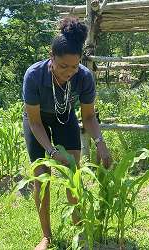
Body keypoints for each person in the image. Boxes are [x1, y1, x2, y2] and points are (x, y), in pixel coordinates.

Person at [22, 17, 112, 250]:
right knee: (41, 178)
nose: (69, 72)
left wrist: (100, 143)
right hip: (37, 121)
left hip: (64, 118)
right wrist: (51, 151)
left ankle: (79, 226)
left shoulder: (83, 77)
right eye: (63, 66)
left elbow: (89, 117)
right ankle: (46, 236)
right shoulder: (34, 75)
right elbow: (34, 121)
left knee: (73, 172)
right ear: (51, 56)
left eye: (74, 66)